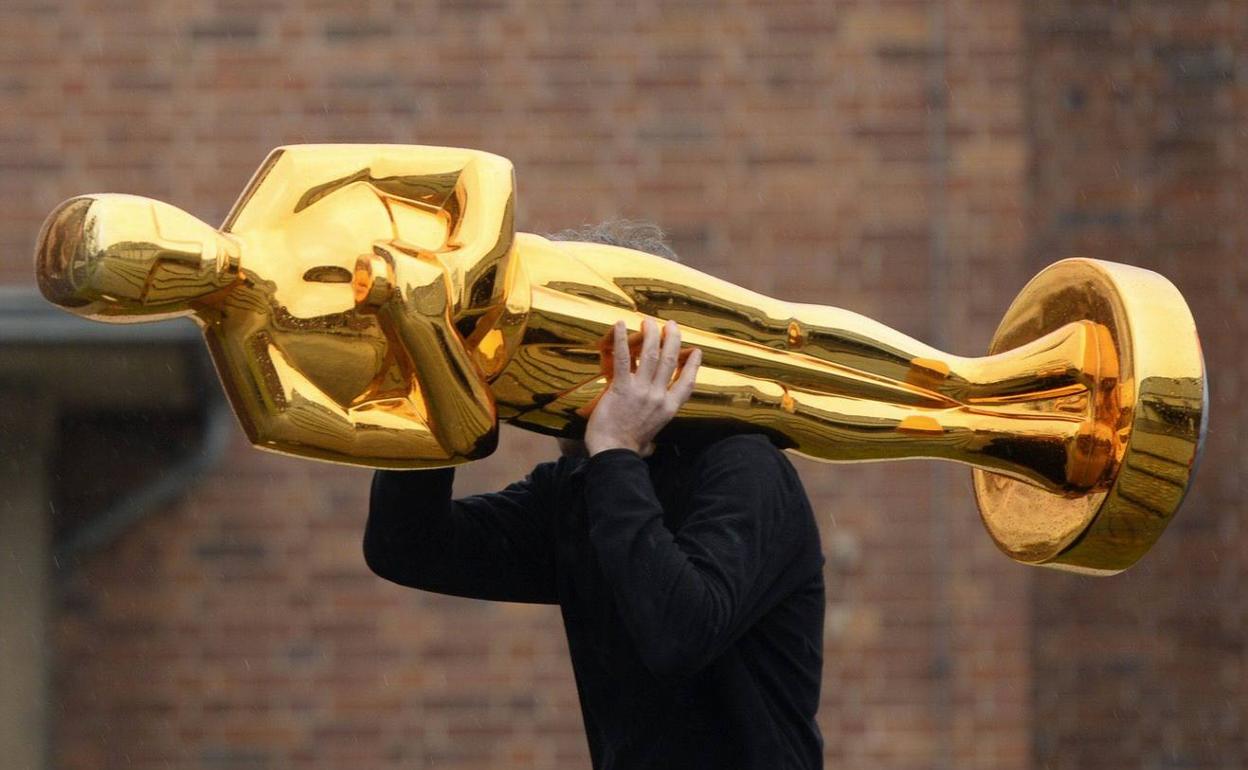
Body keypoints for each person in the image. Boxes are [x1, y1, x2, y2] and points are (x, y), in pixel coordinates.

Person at [364, 224, 826, 770]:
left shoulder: (744, 468)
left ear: (652, 353)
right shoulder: (584, 489)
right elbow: (408, 545)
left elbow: (679, 633)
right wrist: (441, 386)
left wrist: (615, 447)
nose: (542, 371)